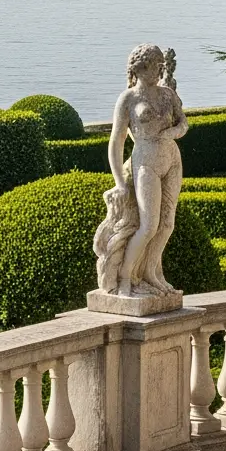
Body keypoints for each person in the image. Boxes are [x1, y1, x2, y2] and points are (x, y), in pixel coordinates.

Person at [94, 44, 188, 299]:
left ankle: (151, 273)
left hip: (172, 160)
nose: (158, 71)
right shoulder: (128, 99)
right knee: (148, 226)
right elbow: (116, 141)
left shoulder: (167, 94)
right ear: (139, 68)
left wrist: (173, 132)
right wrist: (119, 183)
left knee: (167, 225)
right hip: (145, 162)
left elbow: (183, 123)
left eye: (160, 65)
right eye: (154, 66)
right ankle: (125, 277)